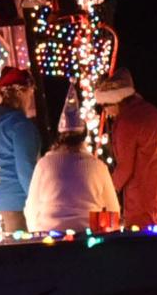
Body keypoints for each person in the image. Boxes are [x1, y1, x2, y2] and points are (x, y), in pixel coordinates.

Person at [24, 85, 120, 233]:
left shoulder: (44, 164)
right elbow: (113, 209)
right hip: (88, 236)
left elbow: (31, 207)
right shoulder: (98, 166)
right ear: (84, 138)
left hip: (49, 235)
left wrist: (36, 233)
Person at [95, 66, 157, 228]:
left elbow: (125, 168)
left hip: (142, 202)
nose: (106, 112)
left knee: (139, 246)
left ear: (117, 100)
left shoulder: (127, 122)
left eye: (105, 106)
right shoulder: (150, 112)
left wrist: (103, 193)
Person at [0, 66, 41, 233]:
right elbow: (25, 169)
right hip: (20, 200)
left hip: (0, 198)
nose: (30, 100)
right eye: (30, 94)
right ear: (21, 93)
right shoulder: (21, 126)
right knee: (27, 253)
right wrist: (39, 201)